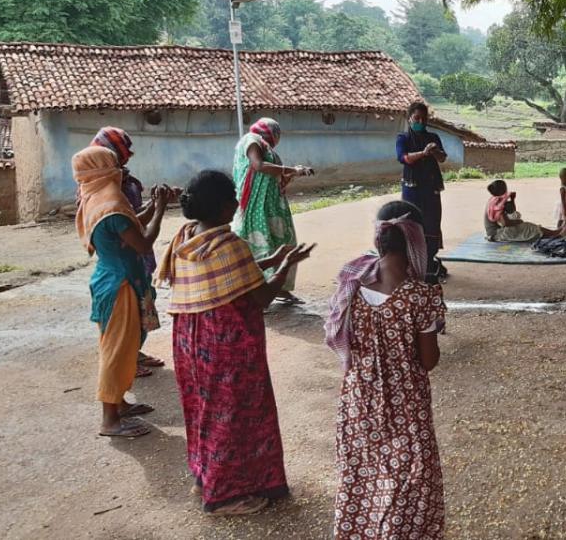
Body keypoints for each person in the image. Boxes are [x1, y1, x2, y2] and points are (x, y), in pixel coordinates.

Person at [157, 170, 314, 516]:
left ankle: (205, 477)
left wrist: (269, 261)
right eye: (232, 198)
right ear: (223, 206)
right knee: (233, 414)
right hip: (225, 344)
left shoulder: (185, 237)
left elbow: (229, 273)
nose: (236, 203)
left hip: (190, 339)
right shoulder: (230, 246)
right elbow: (261, 298)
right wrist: (283, 268)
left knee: (203, 409)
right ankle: (225, 496)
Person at [325, 200, 447, 539]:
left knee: (362, 476)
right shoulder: (422, 296)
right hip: (407, 406)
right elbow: (428, 361)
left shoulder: (351, 284)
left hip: (359, 400)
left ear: (379, 238)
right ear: (418, 242)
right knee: (410, 480)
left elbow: (341, 336)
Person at [73, 146, 169, 437]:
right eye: (114, 163)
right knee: (117, 351)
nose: (121, 169)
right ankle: (109, 420)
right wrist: (162, 209)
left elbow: (129, 223)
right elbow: (142, 242)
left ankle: (120, 404)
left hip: (110, 279)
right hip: (120, 286)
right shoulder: (112, 202)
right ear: (103, 168)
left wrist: (152, 204)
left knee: (123, 347)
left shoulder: (94, 197)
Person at [89, 126, 168, 375]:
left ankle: (131, 356)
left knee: (138, 312)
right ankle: (125, 367)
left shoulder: (113, 189)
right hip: (122, 272)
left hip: (128, 265)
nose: (122, 162)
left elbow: (132, 219)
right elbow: (140, 237)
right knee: (125, 324)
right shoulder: (108, 199)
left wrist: (155, 204)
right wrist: (160, 209)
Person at [231, 117, 313, 305]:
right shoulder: (251, 140)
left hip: (273, 206)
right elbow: (258, 165)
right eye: (276, 133)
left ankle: (280, 288)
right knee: (258, 245)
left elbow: (277, 177)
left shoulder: (268, 150)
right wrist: (290, 169)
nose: (277, 137)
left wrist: (298, 171)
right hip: (254, 206)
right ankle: (255, 293)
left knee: (284, 243)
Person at [397, 102, 449, 283]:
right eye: (417, 118)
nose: (420, 121)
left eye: (423, 118)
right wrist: (423, 153)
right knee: (411, 224)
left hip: (431, 188)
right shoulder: (403, 138)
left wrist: (435, 152)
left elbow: (442, 158)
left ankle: (428, 262)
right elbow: (404, 158)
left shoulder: (433, 137)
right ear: (409, 118)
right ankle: (411, 264)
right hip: (412, 190)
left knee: (432, 224)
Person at [484, 179, 562, 243]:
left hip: (496, 232)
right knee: (528, 227)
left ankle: (552, 233)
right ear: (502, 189)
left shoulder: (494, 199)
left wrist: (512, 199)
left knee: (521, 223)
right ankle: (554, 233)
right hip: (496, 234)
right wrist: (519, 222)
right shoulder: (497, 204)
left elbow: (512, 211)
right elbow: (506, 223)